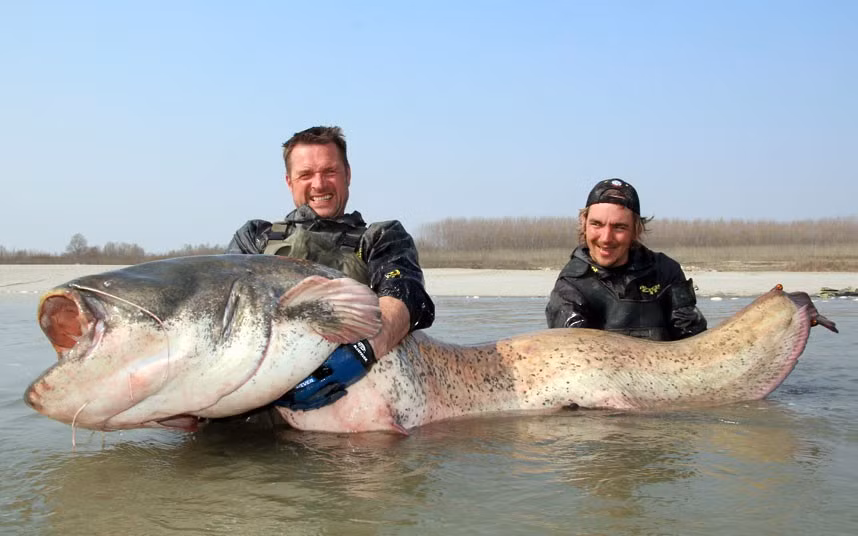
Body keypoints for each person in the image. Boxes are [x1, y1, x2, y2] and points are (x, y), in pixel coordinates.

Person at [227, 126, 435, 410]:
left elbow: (406, 296)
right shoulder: (254, 238)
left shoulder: (381, 238)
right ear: (289, 181)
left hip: (353, 404)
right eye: (306, 174)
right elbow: (225, 310)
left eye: (329, 171)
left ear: (347, 174)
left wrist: (360, 354)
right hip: (252, 403)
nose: (319, 184)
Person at [545, 178, 707, 340]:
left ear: (636, 230)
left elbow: (693, 338)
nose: (606, 238)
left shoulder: (667, 271)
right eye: (596, 224)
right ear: (584, 224)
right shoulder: (570, 285)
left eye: (619, 227)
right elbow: (572, 347)